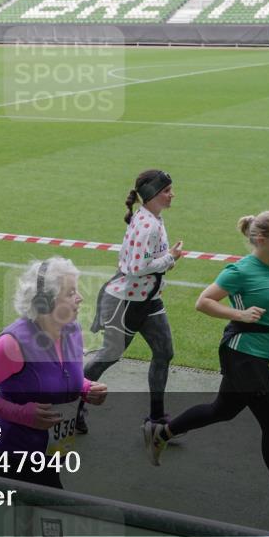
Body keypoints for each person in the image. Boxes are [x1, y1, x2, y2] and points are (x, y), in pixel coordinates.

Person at [141, 210, 269, 514]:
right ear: (262, 239)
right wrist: (238, 314)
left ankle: (161, 432)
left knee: (221, 410)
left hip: (259, 355)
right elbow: (204, 302)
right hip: (242, 355)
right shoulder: (239, 271)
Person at [0, 257, 107, 488]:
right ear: (45, 303)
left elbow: (63, 375)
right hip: (16, 453)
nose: (80, 298)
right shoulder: (15, 342)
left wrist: (86, 387)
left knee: (34, 518)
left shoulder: (72, 330)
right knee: (48, 513)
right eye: (70, 293)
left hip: (52, 450)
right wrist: (22, 414)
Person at [76, 169, 183, 433]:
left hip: (147, 300)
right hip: (127, 302)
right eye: (167, 190)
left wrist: (164, 262)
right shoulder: (147, 225)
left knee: (164, 353)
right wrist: (170, 259)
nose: (172, 194)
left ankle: (156, 418)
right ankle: (72, 402)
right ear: (153, 194)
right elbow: (137, 267)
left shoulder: (152, 218)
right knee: (108, 357)